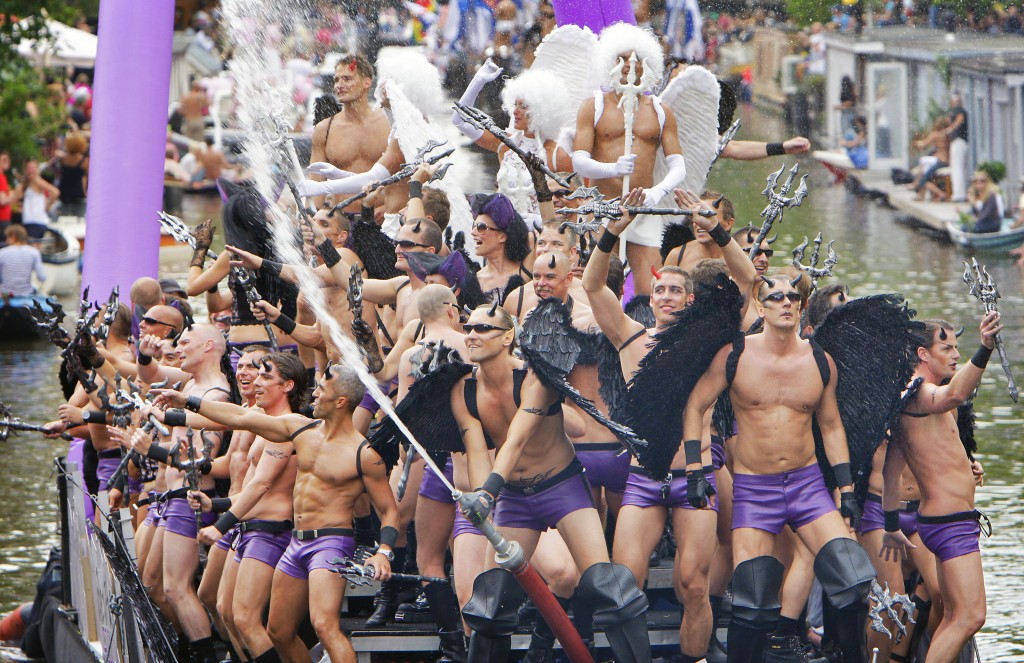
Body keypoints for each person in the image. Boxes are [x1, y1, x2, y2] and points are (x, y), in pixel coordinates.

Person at [683, 274, 876, 663]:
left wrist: (848, 490)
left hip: (807, 487)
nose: (785, 302)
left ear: (801, 306)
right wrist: (695, 471)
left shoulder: (820, 360)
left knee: (854, 582)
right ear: (761, 306)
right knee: (753, 603)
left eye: (792, 296)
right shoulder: (735, 354)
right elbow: (695, 406)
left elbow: (832, 425)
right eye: (776, 297)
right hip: (755, 489)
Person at [153, 362, 400, 663]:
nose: (315, 393)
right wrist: (188, 401)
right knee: (279, 631)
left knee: (325, 625)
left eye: (322, 389)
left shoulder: (363, 454)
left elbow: (388, 510)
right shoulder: (300, 429)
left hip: (331, 543)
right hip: (296, 542)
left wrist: (383, 551)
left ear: (340, 402)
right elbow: (241, 416)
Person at [455, 303, 652, 662]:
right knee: (489, 604)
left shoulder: (535, 377)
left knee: (609, 588)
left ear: (507, 337)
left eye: (483, 328)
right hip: (514, 497)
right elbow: (476, 449)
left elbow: (516, 438)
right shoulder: (463, 390)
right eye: (468, 327)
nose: (471, 334)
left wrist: (487, 492)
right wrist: (483, 501)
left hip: (561, 487)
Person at [880, 314, 1001, 663]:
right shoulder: (920, 394)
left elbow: (892, 470)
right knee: (970, 615)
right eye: (946, 347)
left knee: (952, 614)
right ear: (923, 354)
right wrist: (986, 348)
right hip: (949, 521)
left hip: (944, 519)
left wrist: (890, 525)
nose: (955, 355)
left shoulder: (914, 398)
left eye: (957, 348)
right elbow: (958, 392)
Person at [133, 324, 232, 663]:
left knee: (177, 588)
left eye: (185, 343)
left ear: (208, 346)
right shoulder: (190, 384)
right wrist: (145, 352)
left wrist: (154, 445)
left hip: (188, 499)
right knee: (153, 585)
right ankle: (182, 649)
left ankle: (202, 656)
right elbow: (150, 372)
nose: (179, 347)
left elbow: (200, 459)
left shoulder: (216, 395)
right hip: (166, 497)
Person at [572, 23, 687, 296]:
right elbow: (579, 160)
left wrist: (657, 193)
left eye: (635, 59)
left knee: (651, 287)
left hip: (643, 208)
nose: (628, 65)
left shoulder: (661, 111)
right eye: (621, 59)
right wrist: (612, 168)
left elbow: (678, 165)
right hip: (603, 208)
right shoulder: (594, 105)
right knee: (601, 284)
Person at [299, 54, 403, 212]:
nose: (339, 85)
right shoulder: (325, 129)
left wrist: (395, 210)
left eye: (347, 79)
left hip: (384, 219)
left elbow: (404, 177)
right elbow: (315, 186)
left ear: (367, 82)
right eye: (336, 80)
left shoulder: (389, 123)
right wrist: (312, 218)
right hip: (343, 221)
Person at [14, 160, 59, 235]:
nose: (31, 170)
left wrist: (47, 206)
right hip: (29, 220)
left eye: (33, 168)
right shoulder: (26, 183)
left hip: (35, 220)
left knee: (33, 244)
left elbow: (55, 192)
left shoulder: (37, 180)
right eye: (28, 168)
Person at [912, 116, 952, 201]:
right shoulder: (947, 134)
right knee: (925, 170)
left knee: (923, 180)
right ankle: (920, 193)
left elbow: (923, 144)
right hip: (947, 160)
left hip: (940, 161)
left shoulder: (935, 135)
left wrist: (916, 143)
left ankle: (941, 194)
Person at [0, 225, 46, 296]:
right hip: (26, 294)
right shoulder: (34, 252)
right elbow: (42, 277)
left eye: (7, 237)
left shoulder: (2, 253)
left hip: (6, 296)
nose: (6, 240)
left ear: (13, 237)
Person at [57, 133, 89, 217]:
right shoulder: (84, 161)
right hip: (78, 191)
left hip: (64, 191)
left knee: (65, 218)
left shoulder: (63, 159)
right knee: (79, 219)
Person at [947, 94, 969, 202]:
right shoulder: (956, 111)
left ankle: (959, 194)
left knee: (957, 167)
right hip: (958, 141)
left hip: (958, 141)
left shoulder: (959, 111)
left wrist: (950, 129)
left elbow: (959, 120)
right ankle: (958, 193)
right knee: (957, 167)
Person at [180, 79, 208, 144]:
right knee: (199, 142)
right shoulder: (200, 97)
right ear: (198, 88)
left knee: (188, 142)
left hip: (189, 119)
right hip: (198, 119)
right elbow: (207, 104)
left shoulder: (186, 96)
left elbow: (180, 109)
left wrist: (186, 113)